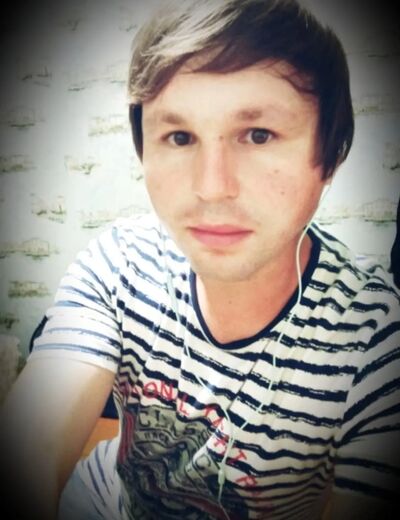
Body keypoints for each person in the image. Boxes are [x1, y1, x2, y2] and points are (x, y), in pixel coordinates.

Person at [1, 0, 399, 519]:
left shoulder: (373, 338)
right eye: (180, 137)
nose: (212, 187)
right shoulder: (120, 263)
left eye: (258, 135)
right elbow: (29, 448)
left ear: (330, 156)